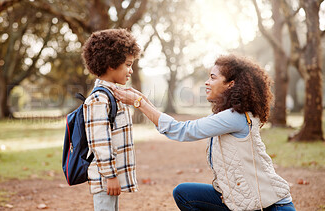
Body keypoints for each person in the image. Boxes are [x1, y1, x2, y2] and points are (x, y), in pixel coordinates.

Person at [112, 54, 296, 211]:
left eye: (213, 77)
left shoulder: (235, 117)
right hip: (241, 202)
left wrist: (139, 103)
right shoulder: (228, 114)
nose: (207, 82)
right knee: (184, 194)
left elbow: (182, 131)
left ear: (231, 84)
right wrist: (142, 99)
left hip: (272, 206)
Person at [81, 28, 141, 211]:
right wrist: (110, 175)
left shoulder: (113, 95)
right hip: (104, 178)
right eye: (128, 64)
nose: (131, 70)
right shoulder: (99, 99)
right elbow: (100, 142)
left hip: (110, 177)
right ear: (111, 64)